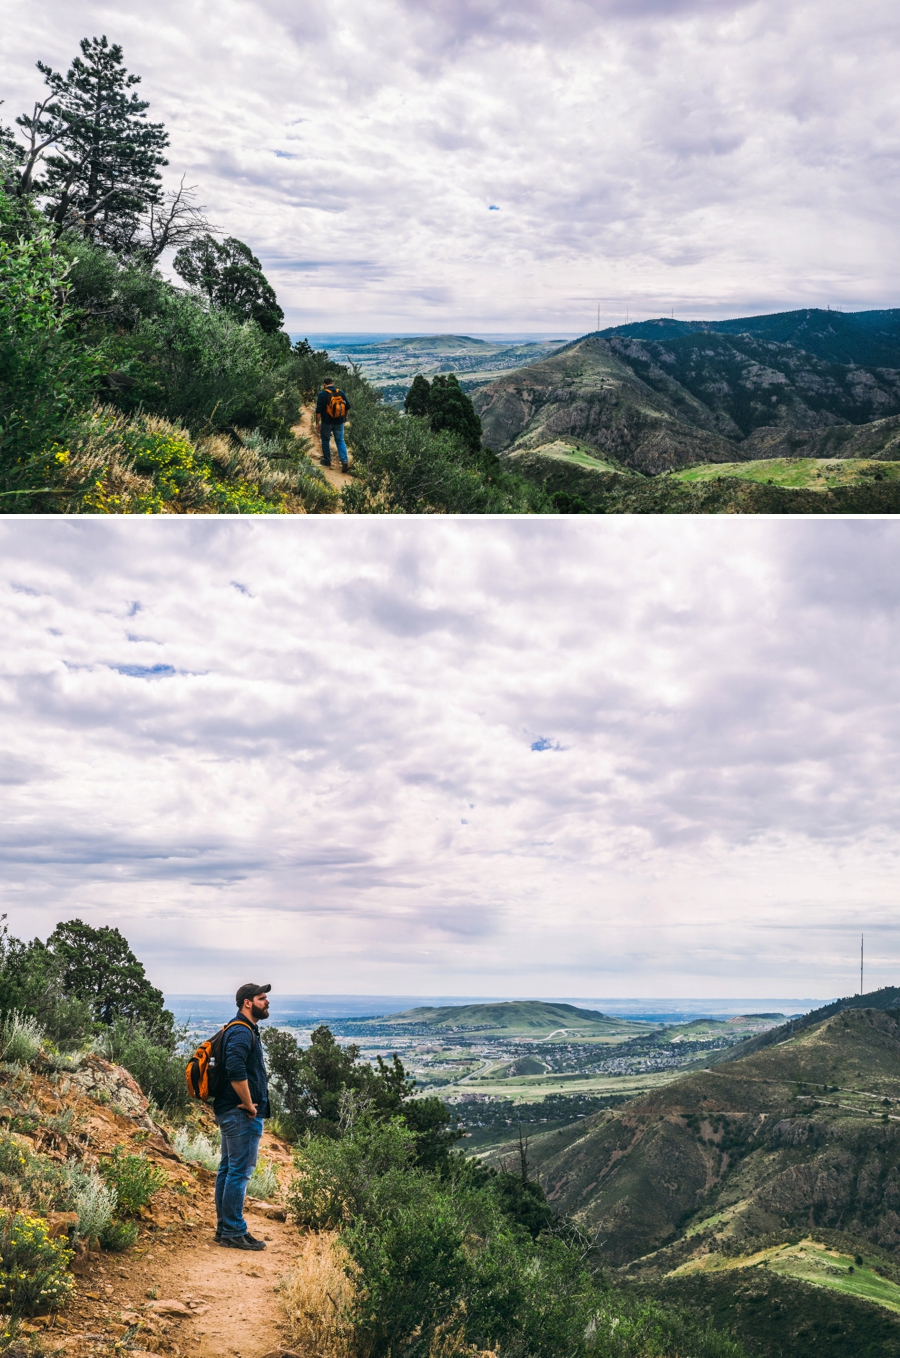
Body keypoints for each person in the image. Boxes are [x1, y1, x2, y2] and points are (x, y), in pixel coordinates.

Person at [213, 983, 271, 1250]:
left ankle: (227, 1229)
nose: (266, 1001)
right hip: (240, 1114)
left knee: (228, 1170)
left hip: (231, 1111)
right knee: (239, 1171)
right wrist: (249, 1105)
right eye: (262, 998)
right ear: (248, 1003)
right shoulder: (240, 1031)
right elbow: (235, 1067)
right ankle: (233, 1230)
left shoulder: (239, 1029)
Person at [315, 377, 351, 472]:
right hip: (339, 421)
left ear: (324, 384)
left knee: (325, 440)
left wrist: (317, 423)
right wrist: (345, 417)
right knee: (340, 440)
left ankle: (327, 460)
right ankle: (344, 460)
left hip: (326, 422)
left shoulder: (322, 394)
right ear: (332, 383)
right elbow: (348, 406)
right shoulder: (340, 392)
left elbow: (318, 411)